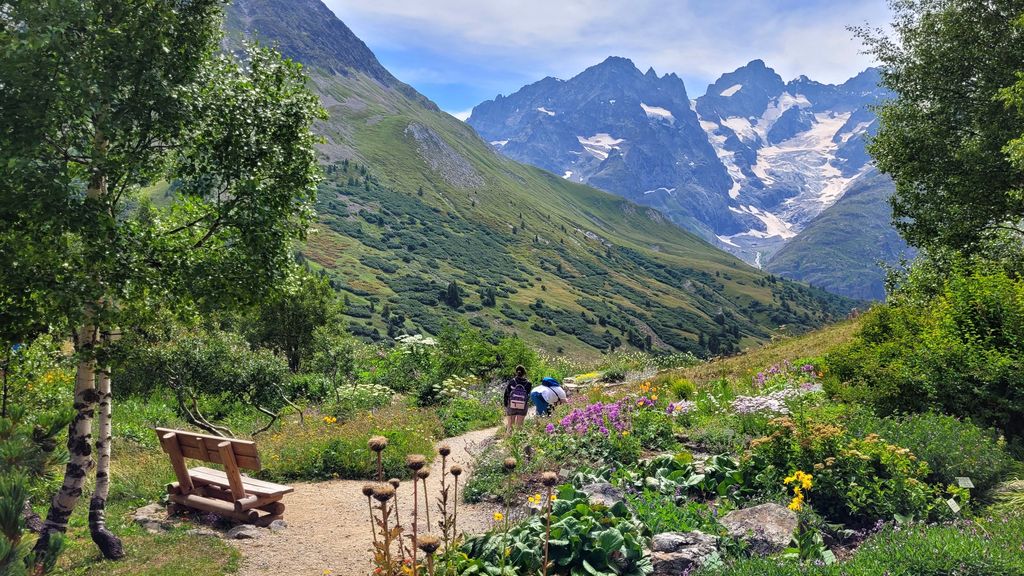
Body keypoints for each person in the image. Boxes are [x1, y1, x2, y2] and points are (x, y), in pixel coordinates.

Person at [502, 365, 530, 431]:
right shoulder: (528, 383)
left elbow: (506, 394)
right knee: (519, 426)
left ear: (516, 372)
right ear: (524, 373)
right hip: (522, 406)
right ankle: (517, 439)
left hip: (512, 405)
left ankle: (508, 439)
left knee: (510, 425)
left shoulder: (512, 381)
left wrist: (506, 405)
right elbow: (527, 395)